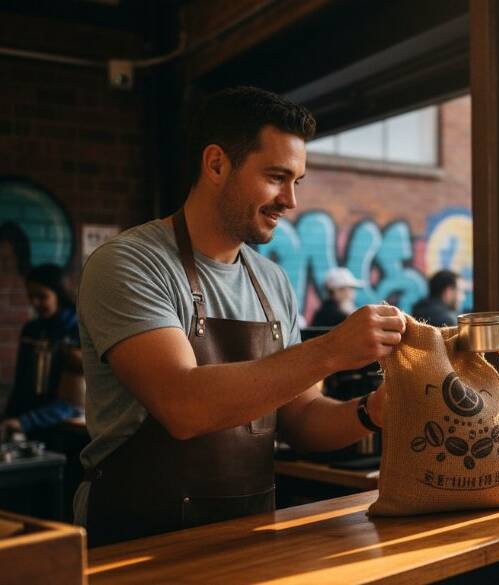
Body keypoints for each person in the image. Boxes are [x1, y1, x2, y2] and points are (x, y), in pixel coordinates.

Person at [74, 86, 406, 546]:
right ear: (216, 164)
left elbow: (303, 418)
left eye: (297, 181)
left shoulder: (271, 282)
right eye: (275, 176)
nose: (290, 200)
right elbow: (182, 405)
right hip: (136, 542)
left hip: (247, 539)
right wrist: (330, 350)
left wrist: (375, 411)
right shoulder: (129, 263)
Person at [1, 264, 83, 441]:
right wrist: (9, 419)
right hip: (26, 423)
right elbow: (21, 381)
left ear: (59, 294)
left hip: (63, 426)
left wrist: (25, 421)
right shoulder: (31, 330)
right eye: (31, 296)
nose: (34, 303)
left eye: (42, 296)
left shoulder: (77, 331)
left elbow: (73, 401)